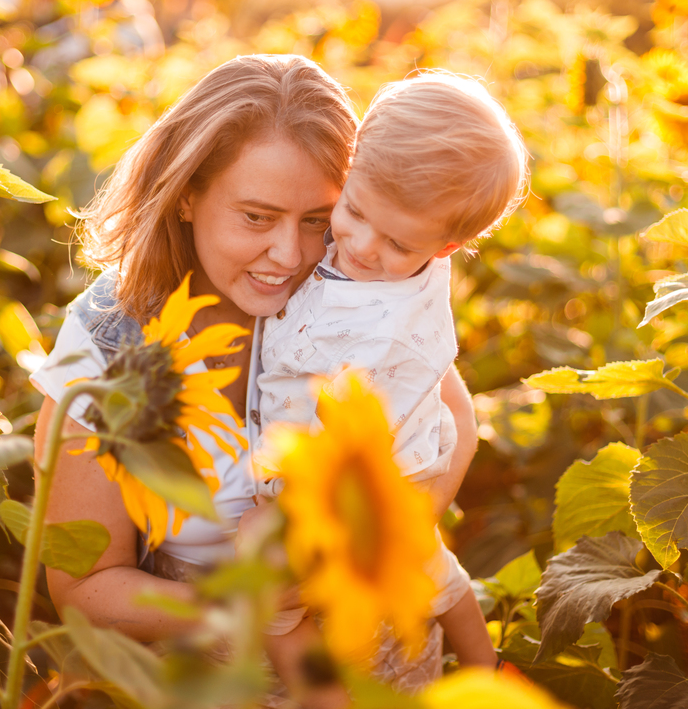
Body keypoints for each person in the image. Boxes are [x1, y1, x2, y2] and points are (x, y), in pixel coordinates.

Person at [29, 54, 481, 706]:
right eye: (256, 217)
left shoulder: (353, 277)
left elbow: (455, 422)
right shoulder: (109, 345)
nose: (290, 255)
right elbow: (84, 590)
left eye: (316, 220)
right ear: (187, 194)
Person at [251, 72, 529, 673]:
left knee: (275, 602)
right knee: (443, 577)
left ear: (448, 247)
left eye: (399, 243)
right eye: (352, 209)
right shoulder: (396, 259)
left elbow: (316, 416)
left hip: (369, 479)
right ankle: (487, 667)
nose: (363, 246)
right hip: (406, 458)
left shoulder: (383, 325)